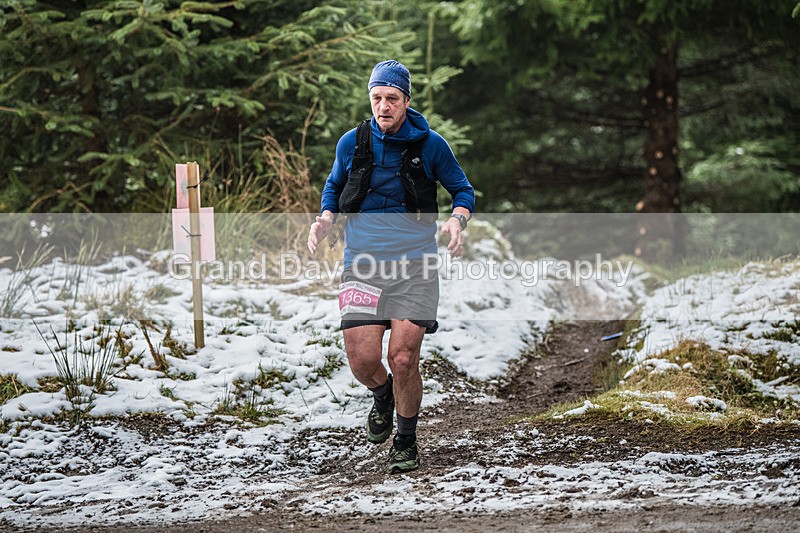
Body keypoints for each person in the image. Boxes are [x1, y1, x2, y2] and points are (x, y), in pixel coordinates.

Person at [307, 60, 475, 474]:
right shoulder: (351, 142)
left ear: (406, 102)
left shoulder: (431, 144)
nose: (383, 106)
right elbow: (333, 185)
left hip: (415, 266)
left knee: (403, 359)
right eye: (377, 98)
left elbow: (462, 189)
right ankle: (382, 395)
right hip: (362, 265)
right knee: (364, 362)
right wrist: (326, 218)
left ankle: (406, 439)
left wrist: (457, 219)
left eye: (392, 99)